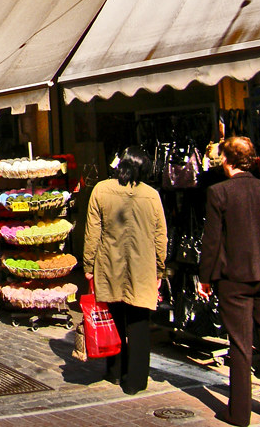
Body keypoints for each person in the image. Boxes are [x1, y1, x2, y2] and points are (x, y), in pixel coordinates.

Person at [199, 136, 260, 427]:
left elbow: (212, 240)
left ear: (227, 161)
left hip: (235, 278)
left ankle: (239, 413)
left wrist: (205, 277)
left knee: (240, 345)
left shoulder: (218, 192)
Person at [83, 146, 167, 395]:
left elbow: (92, 232)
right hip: (142, 268)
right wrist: (160, 269)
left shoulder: (101, 190)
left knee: (114, 317)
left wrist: (88, 264)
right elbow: (160, 236)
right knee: (139, 323)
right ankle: (136, 380)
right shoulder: (152, 195)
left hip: (110, 264)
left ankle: (115, 370)